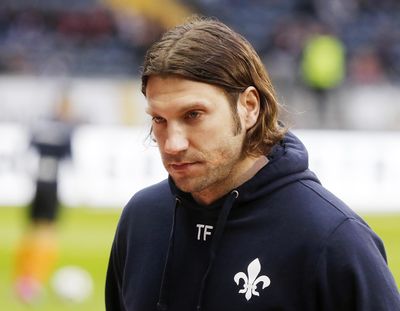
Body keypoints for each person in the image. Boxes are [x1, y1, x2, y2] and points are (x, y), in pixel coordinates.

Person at [105, 16, 400, 310]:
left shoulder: (332, 238)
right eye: (159, 119)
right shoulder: (141, 219)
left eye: (193, 115)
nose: (172, 144)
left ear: (249, 107)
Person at [13, 93, 74, 303]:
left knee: (31, 231)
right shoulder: (65, 130)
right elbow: (69, 159)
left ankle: (23, 280)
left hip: (37, 182)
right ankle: (33, 282)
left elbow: (26, 152)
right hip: (51, 184)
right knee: (47, 233)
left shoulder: (41, 126)